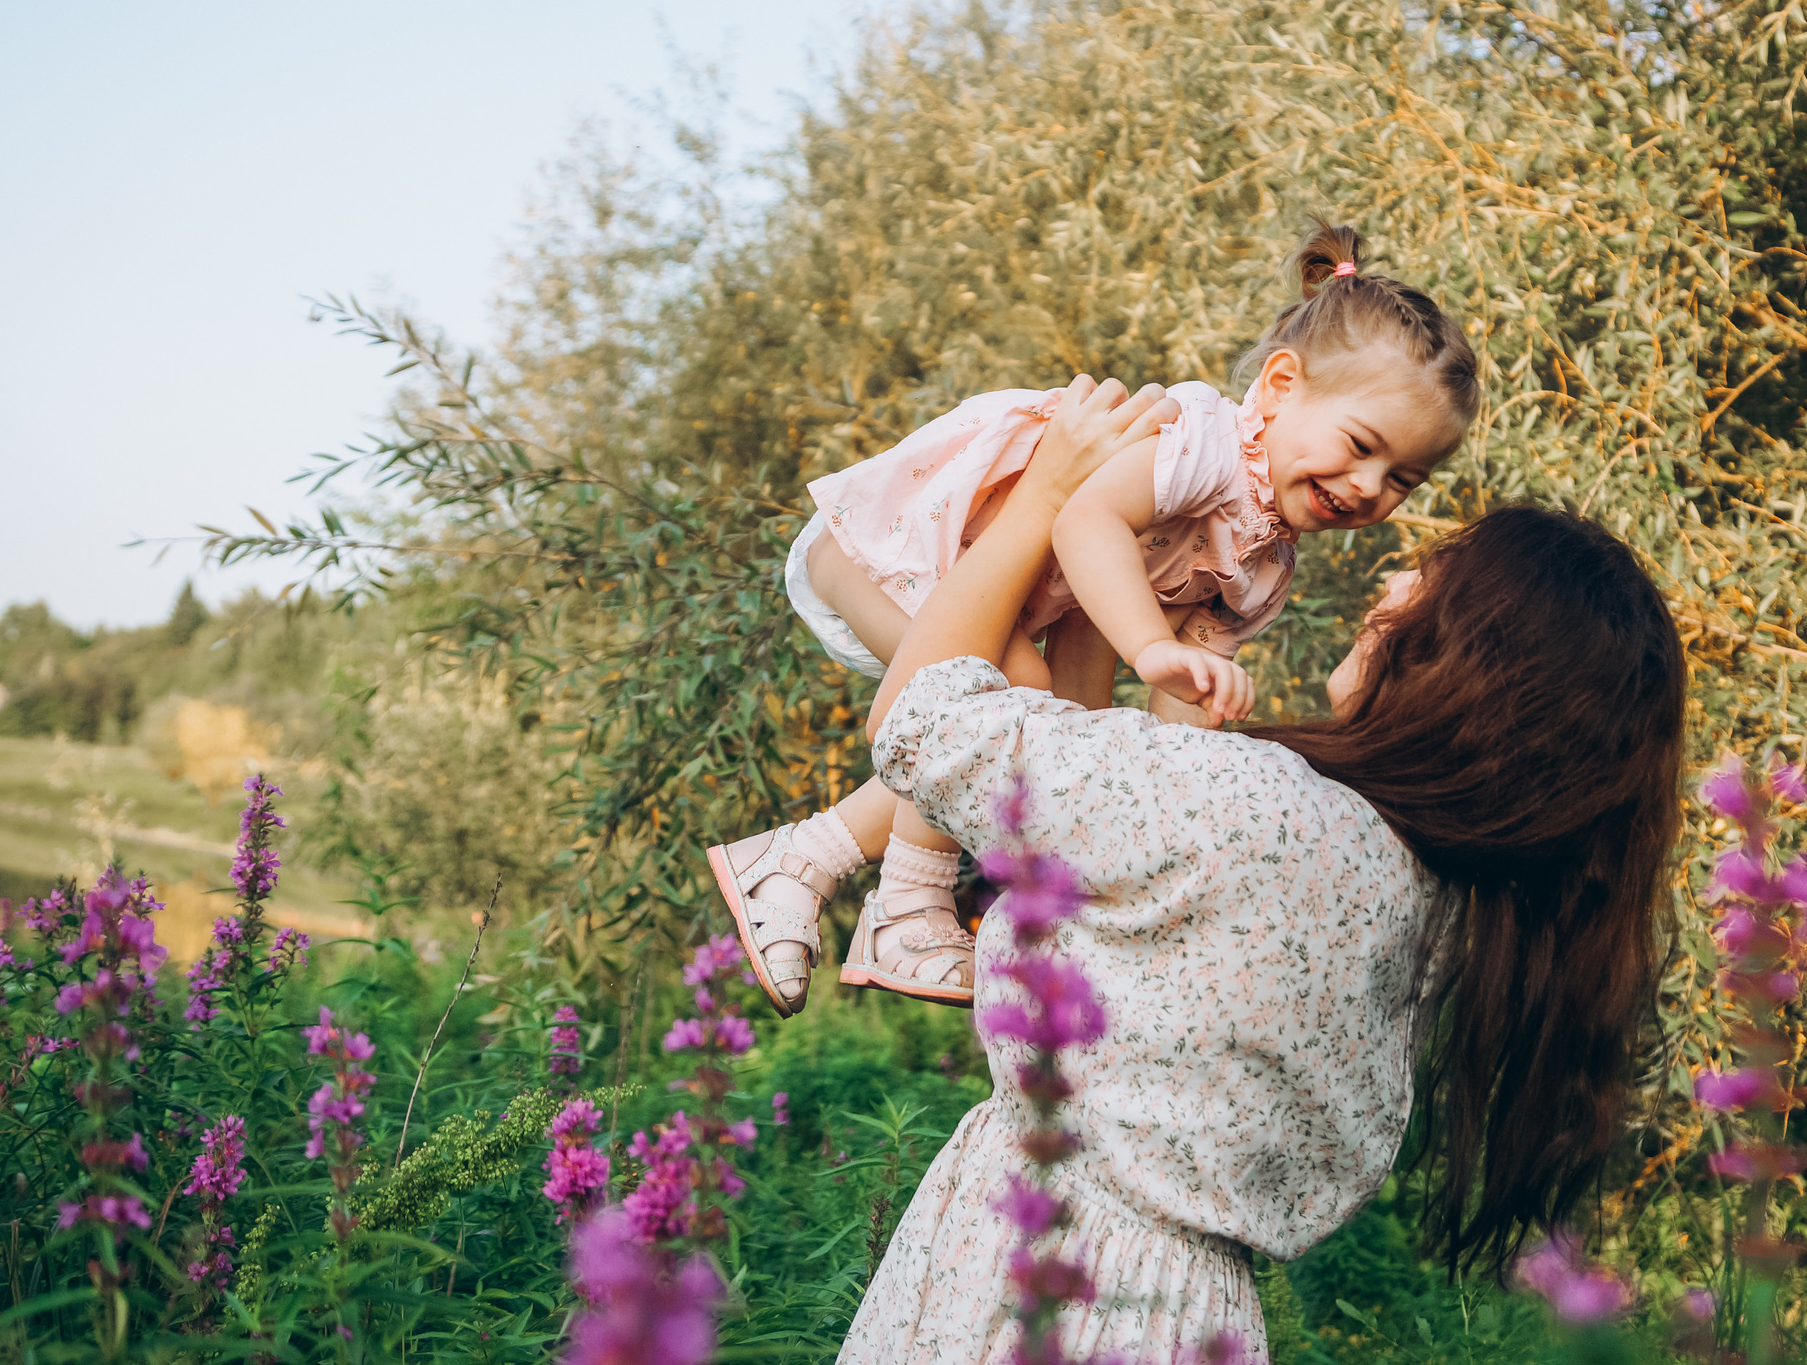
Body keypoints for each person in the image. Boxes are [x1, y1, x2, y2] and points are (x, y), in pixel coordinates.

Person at [832, 375, 1689, 1360]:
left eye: (1429, 575)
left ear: (1472, 653)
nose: (1390, 585)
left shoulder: (1255, 805)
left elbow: (921, 719)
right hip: (1202, 1321)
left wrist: (1048, 494)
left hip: (1028, 1281)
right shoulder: (1445, 910)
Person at [707, 225, 1481, 1012]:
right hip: (906, 540)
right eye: (1360, 445)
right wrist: (1148, 646)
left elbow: (1180, 694)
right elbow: (1085, 522)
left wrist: (1184, 768)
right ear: (1280, 387)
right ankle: (906, 904)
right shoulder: (1200, 443)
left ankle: (798, 859)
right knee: (1016, 689)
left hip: (980, 593)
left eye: (1402, 479)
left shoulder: (1265, 563)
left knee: (1056, 729)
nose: (1367, 485)